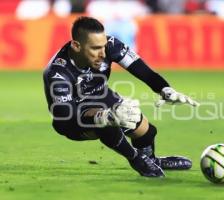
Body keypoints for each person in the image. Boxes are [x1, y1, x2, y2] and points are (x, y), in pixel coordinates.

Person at [43, 16, 199, 177]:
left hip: (101, 95)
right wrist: (103, 117)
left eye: (103, 46)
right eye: (96, 48)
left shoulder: (110, 46)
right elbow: (65, 114)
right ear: (76, 46)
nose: (103, 54)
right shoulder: (58, 72)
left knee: (145, 130)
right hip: (71, 117)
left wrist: (165, 89)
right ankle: (136, 158)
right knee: (107, 124)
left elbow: (141, 70)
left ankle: (152, 160)